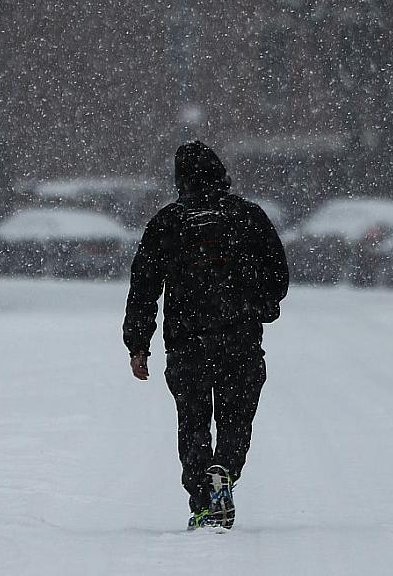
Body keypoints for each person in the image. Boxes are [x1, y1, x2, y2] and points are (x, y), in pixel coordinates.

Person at [123, 140, 289, 530]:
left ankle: (202, 501)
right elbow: (278, 276)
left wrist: (138, 344)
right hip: (240, 339)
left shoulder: (168, 223)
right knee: (236, 419)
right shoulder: (248, 217)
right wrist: (262, 302)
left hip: (187, 342)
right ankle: (224, 470)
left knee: (193, 422)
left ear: (180, 180)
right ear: (221, 173)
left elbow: (143, 287)